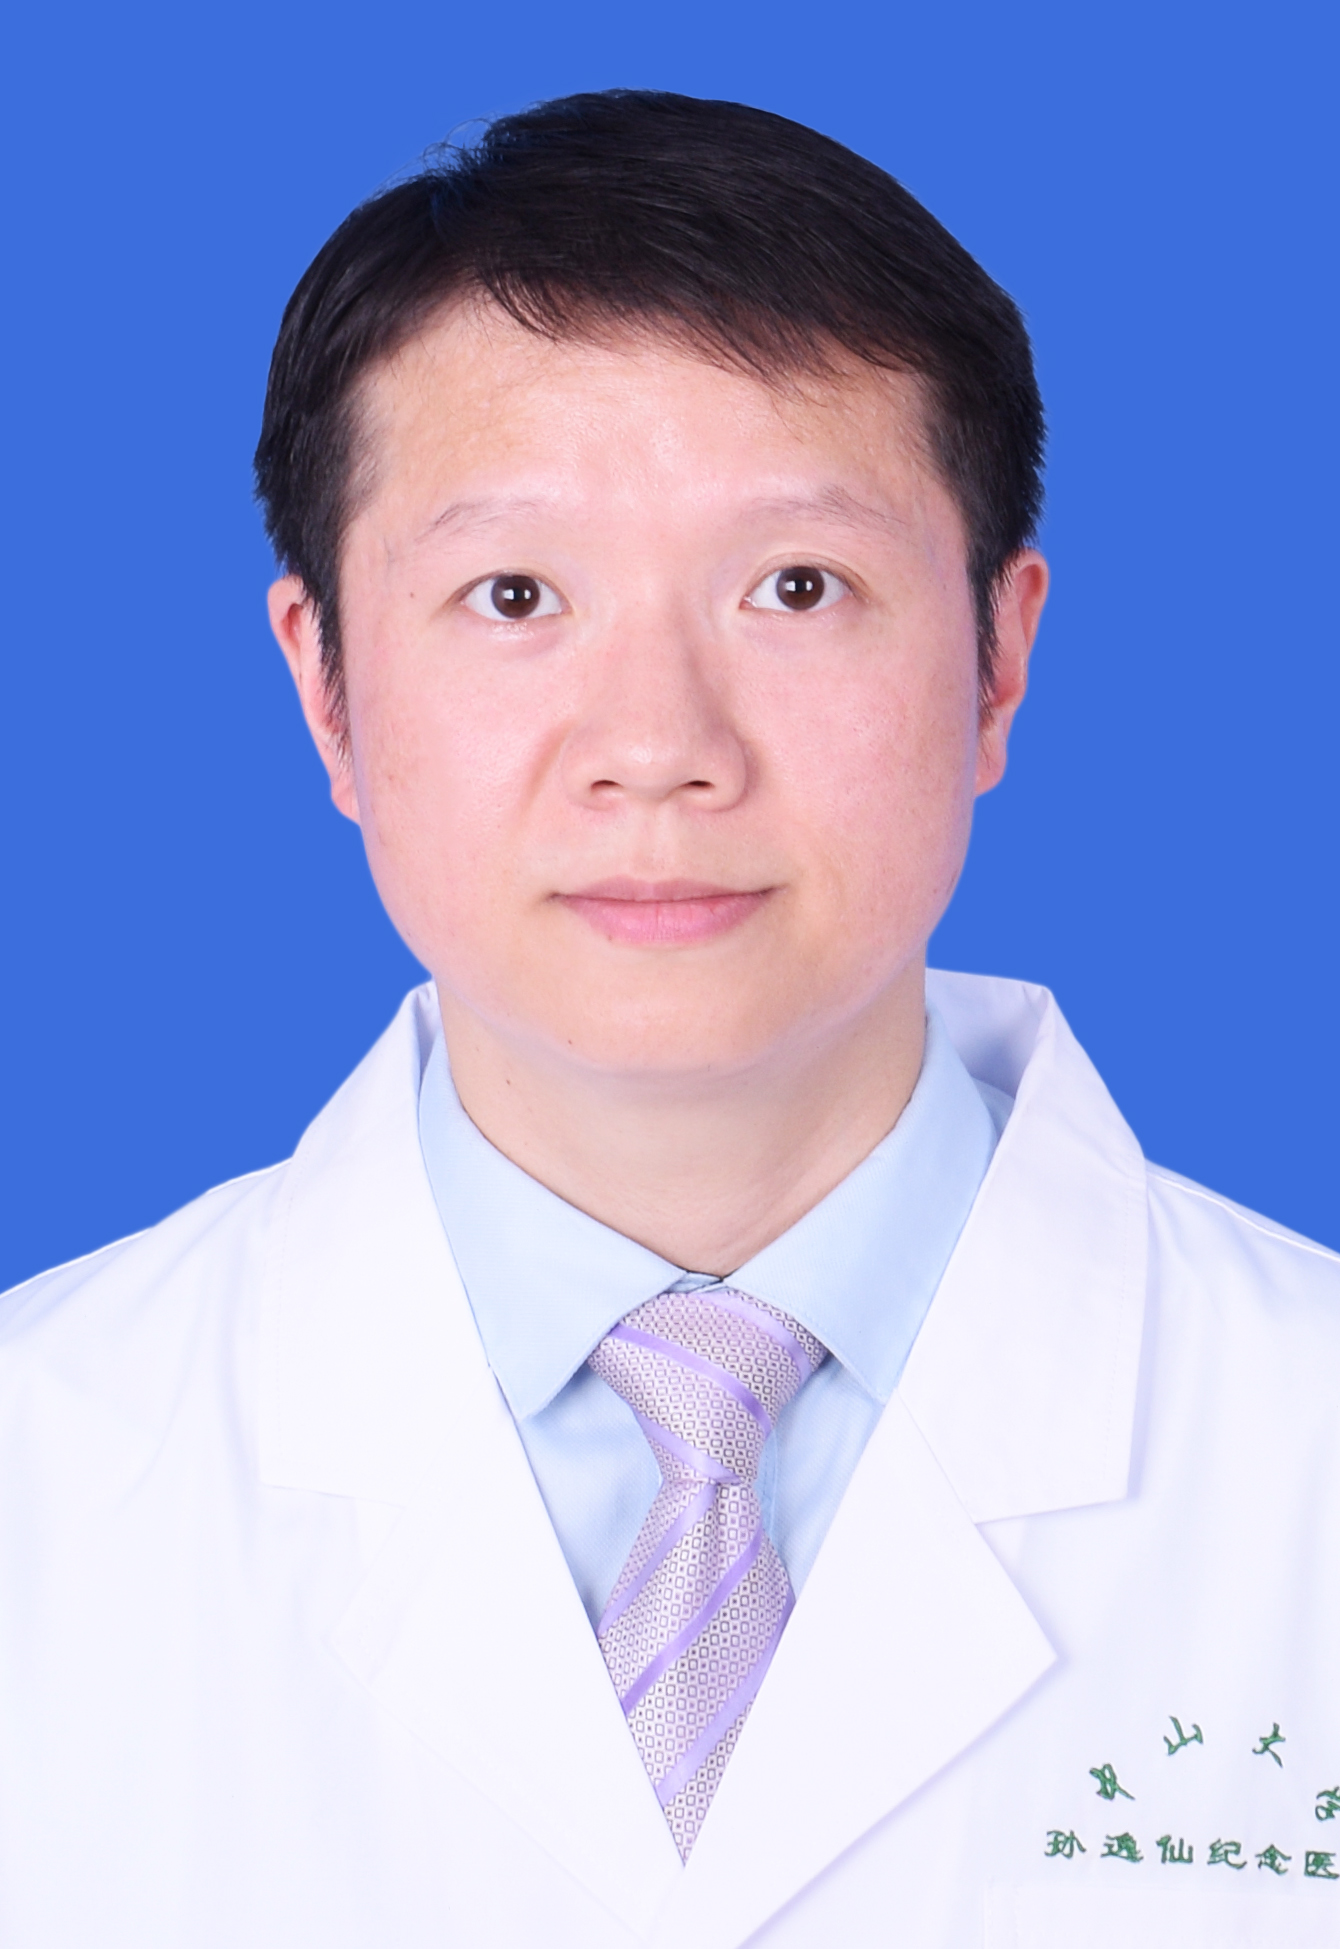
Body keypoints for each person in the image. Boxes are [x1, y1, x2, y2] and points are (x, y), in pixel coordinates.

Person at [1, 89, 1336, 1949]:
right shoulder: (38, 1471)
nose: (658, 748)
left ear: (999, 656)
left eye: (797, 587)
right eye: (515, 594)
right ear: (325, 686)